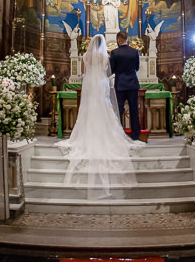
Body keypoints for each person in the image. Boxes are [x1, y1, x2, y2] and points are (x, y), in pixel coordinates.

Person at [57, 34, 141, 198]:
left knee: (89, 109)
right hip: (109, 83)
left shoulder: (87, 55)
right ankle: (129, 134)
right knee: (108, 108)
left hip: (90, 84)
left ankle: (89, 133)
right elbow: (110, 71)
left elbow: (84, 71)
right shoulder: (107, 55)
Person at [110, 31, 142, 141]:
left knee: (119, 110)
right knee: (134, 110)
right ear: (126, 39)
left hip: (120, 85)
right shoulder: (135, 52)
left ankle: (117, 134)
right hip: (133, 84)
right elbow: (137, 67)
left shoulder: (115, 53)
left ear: (118, 40)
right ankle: (135, 135)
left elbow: (112, 69)